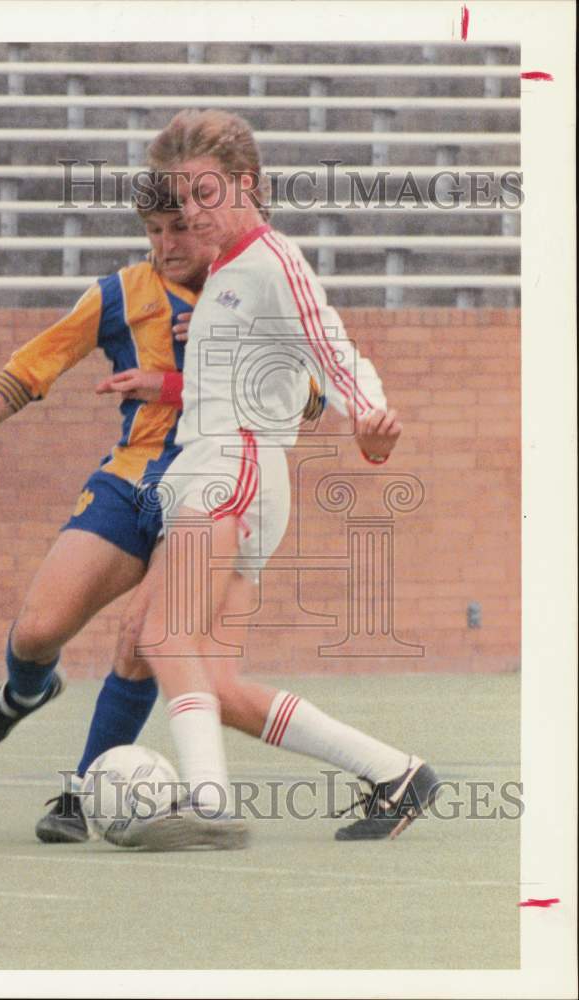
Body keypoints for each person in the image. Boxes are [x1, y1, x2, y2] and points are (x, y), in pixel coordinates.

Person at [92, 109, 441, 850]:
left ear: (246, 184)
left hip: (232, 468)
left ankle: (210, 807)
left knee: (161, 632)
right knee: (214, 686)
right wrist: (166, 381)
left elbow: (331, 345)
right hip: (224, 466)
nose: (190, 211)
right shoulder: (227, 270)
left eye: (203, 192)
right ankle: (399, 772)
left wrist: (370, 419)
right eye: (182, 197)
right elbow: (255, 376)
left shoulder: (272, 259)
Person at [0, 176, 211, 840]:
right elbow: (30, 368)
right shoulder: (122, 294)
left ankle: (80, 795)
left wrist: (204, 362)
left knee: (140, 638)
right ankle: (25, 692)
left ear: (212, 223)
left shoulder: (255, 292)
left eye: (178, 229)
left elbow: (302, 398)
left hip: (216, 493)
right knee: (38, 632)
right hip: (131, 481)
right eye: (153, 232)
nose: (165, 245)